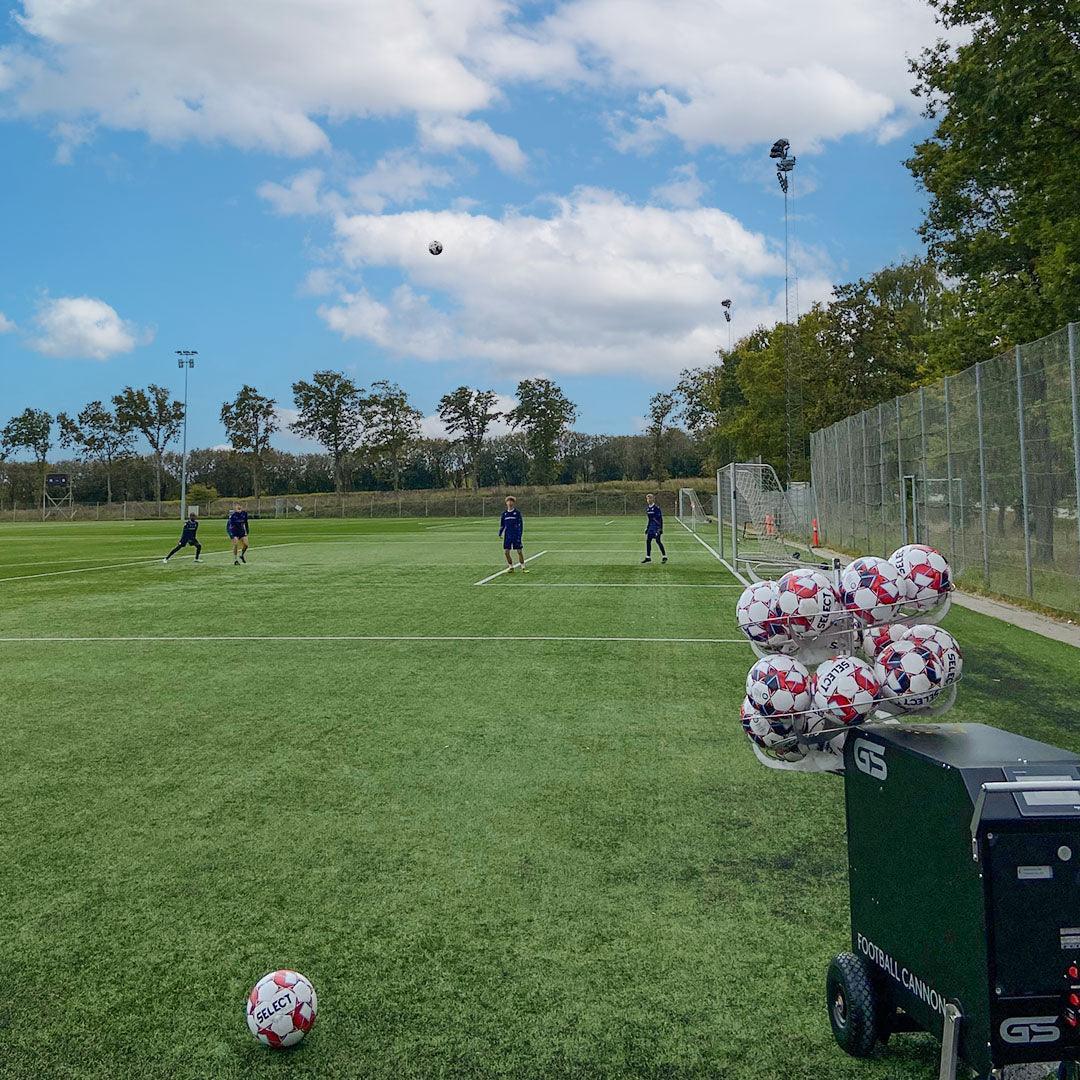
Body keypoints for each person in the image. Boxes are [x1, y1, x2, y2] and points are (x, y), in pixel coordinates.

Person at [498, 495, 527, 573]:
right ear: (506, 503)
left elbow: (520, 524)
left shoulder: (517, 513)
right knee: (506, 552)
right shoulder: (504, 514)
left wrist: (519, 534)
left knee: (519, 551)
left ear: (513, 503)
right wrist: (500, 533)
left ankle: (523, 566)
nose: (510, 503)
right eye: (508, 501)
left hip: (516, 535)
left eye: (511, 501)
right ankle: (511, 566)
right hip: (507, 535)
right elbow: (502, 525)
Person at [641, 493, 667, 564]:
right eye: (647, 499)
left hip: (656, 527)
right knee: (648, 541)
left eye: (650, 498)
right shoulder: (648, 509)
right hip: (651, 528)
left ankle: (664, 556)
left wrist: (660, 528)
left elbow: (660, 519)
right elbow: (649, 520)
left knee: (658, 541)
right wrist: (647, 528)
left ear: (653, 499)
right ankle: (648, 557)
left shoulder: (656, 508)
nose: (648, 500)